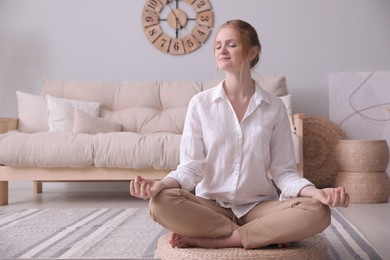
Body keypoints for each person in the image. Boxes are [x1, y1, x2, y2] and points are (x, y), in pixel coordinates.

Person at [130, 19, 349, 249]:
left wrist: (316, 192)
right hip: (210, 206)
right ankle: (258, 236)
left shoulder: (273, 107)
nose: (222, 50)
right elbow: (191, 168)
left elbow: (283, 173)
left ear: (253, 51)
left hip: (259, 208)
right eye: (217, 45)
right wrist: (160, 184)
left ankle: (219, 241)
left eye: (231, 44)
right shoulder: (200, 104)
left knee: (317, 211)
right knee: (160, 202)